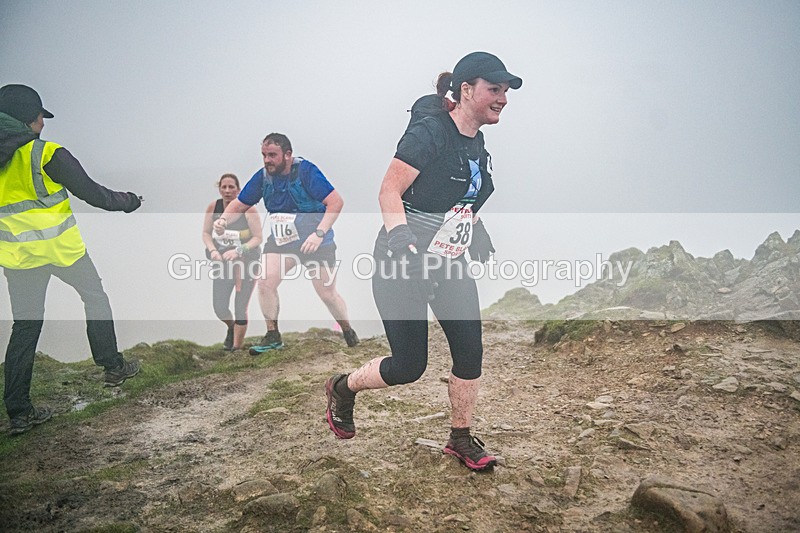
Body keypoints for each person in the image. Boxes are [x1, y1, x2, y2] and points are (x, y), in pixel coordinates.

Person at [324, 52, 521, 471]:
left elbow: (460, 193)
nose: (502, 98)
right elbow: (389, 191)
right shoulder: (431, 133)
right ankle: (343, 388)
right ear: (466, 91)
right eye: (494, 89)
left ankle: (461, 438)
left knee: (470, 351)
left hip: (448, 260)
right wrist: (402, 244)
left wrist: (474, 225)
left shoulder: (476, 138)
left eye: (505, 91)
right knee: (409, 365)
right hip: (402, 261)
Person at [0, 84, 142, 435]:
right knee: (94, 296)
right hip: (63, 251)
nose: (43, 124)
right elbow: (95, 194)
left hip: (18, 257)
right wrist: (130, 201)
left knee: (26, 326)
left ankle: (19, 412)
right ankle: (113, 366)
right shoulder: (46, 153)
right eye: (39, 118)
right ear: (27, 120)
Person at [214, 133, 359, 354]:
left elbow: (335, 202)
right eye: (264, 155)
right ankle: (273, 335)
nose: (267, 160)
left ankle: (348, 330)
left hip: (316, 240)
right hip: (283, 241)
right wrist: (223, 220)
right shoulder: (263, 177)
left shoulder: (307, 171)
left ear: (288, 155)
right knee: (265, 282)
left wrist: (319, 234)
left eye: (272, 155)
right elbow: (239, 205)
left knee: (327, 293)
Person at [202, 173, 262, 351]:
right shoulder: (213, 207)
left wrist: (239, 250)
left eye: (231, 187)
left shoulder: (248, 209)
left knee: (240, 306)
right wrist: (212, 250)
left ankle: (236, 348)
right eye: (224, 187)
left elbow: (258, 238)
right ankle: (231, 326)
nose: (227, 191)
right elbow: (206, 233)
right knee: (219, 307)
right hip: (221, 263)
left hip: (246, 263)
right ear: (219, 188)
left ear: (238, 189)